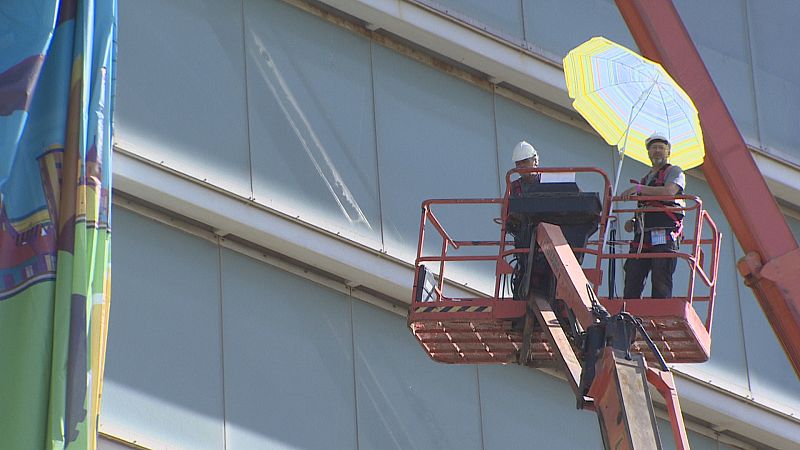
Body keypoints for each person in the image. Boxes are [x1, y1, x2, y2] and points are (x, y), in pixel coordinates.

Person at [620, 133, 686, 299]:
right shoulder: (646, 179)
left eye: (661, 148)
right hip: (643, 234)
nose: (657, 151)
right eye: (654, 148)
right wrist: (634, 221)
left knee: (661, 275)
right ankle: (629, 313)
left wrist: (640, 189)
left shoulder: (674, 172)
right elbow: (645, 206)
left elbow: (669, 192)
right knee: (633, 275)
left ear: (668, 152)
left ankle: (660, 311)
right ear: (648, 152)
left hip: (664, 231)